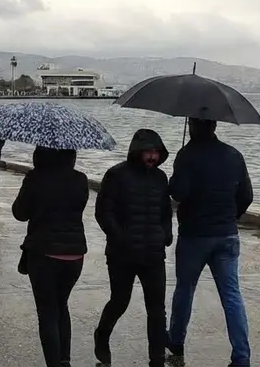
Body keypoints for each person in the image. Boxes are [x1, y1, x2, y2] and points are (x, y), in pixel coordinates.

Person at [166, 118, 253, 366]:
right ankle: (241, 355)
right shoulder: (234, 155)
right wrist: (229, 217)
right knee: (231, 295)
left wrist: (176, 178)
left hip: (194, 235)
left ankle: (176, 340)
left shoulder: (187, 155)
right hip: (227, 234)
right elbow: (247, 196)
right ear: (214, 125)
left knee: (185, 289)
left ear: (192, 125)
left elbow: (178, 192)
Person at [93, 129, 172, 367]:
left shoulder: (161, 178)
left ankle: (156, 359)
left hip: (153, 254)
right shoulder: (116, 175)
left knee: (157, 310)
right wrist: (120, 237)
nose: (153, 157)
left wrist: (166, 234)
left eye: (156, 152)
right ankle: (102, 334)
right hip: (122, 255)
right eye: (149, 152)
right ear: (137, 152)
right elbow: (103, 212)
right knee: (120, 301)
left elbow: (165, 212)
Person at [12, 148, 89, 367]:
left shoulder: (35, 178)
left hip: (44, 253)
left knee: (47, 312)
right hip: (75, 255)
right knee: (61, 305)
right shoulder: (80, 179)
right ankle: (64, 360)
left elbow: (20, 213)